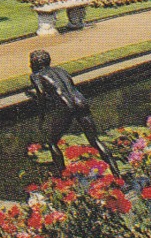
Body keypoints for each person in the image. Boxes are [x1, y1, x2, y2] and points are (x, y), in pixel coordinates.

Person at [26, 49, 124, 179]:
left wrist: (42, 116)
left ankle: (64, 178)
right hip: (80, 101)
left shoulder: (36, 75)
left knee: (52, 142)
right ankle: (118, 174)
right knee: (94, 139)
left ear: (35, 64)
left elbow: (42, 94)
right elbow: (65, 87)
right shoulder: (61, 70)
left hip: (66, 106)